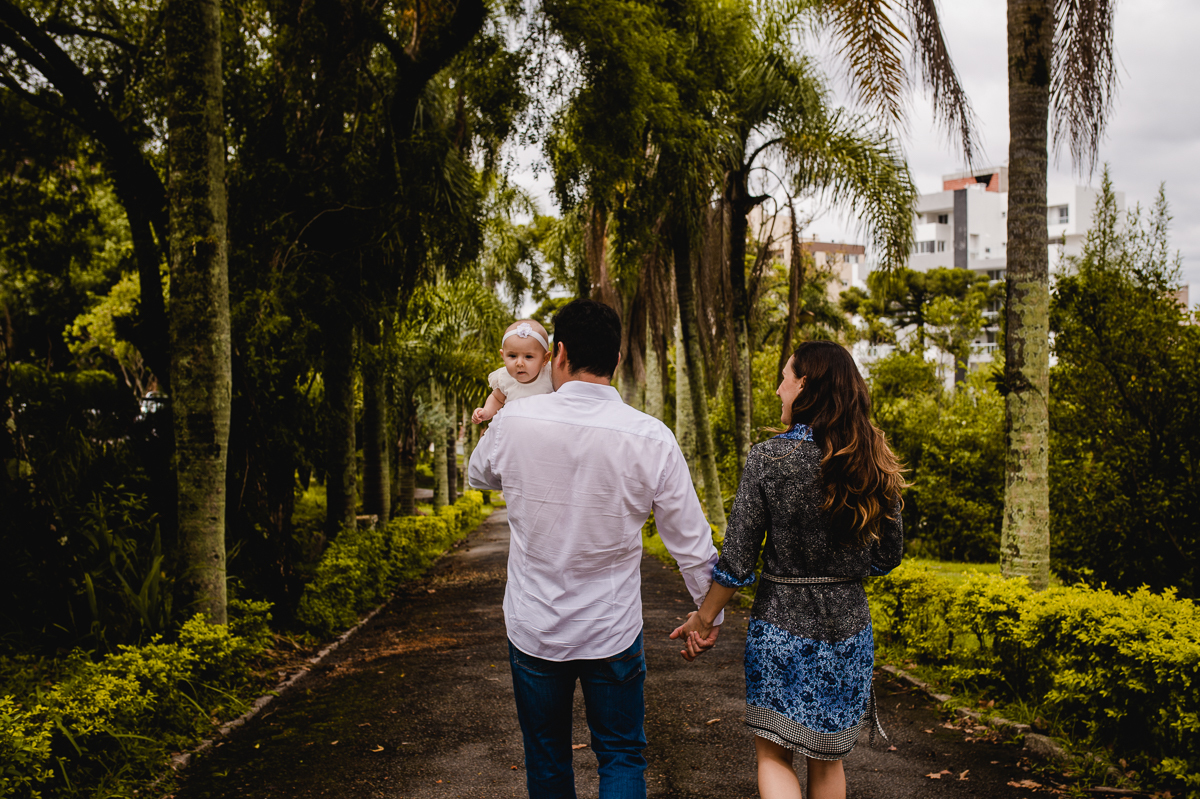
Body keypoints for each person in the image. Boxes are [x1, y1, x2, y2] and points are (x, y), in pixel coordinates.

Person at [468, 298, 723, 799]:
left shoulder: (516, 423)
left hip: (535, 627)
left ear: (558, 354)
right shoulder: (651, 436)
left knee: (546, 760)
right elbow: (693, 544)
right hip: (611, 630)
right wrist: (707, 617)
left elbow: (480, 474)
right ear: (618, 359)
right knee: (622, 755)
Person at [671, 340, 904, 799]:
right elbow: (888, 556)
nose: (778, 389)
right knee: (827, 760)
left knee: (774, 756)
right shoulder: (874, 458)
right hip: (849, 630)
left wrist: (705, 618)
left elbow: (737, 561)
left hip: (780, 629)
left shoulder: (768, 458)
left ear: (804, 385)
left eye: (784, 378)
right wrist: (843, 568)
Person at [472, 319, 554, 424]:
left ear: (545, 359)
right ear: (503, 356)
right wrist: (486, 411)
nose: (519, 363)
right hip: (513, 429)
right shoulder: (504, 378)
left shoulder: (550, 374)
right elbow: (497, 398)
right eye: (512, 356)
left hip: (543, 428)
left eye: (528, 356)